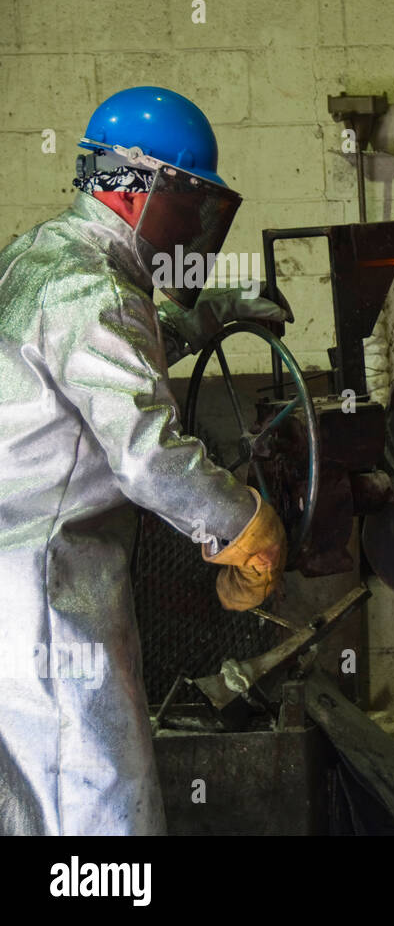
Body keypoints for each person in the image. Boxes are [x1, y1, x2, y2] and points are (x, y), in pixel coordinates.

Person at [0, 86, 290, 835]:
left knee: (34, 811)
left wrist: (206, 314)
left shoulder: (42, 256)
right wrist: (246, 522)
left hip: (19, 588)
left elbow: (103, 347)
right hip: (50, 600)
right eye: (189, 208)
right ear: (147, 192)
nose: (192, 231)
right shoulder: (90, 287)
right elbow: (145, 452)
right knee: (97, 811)